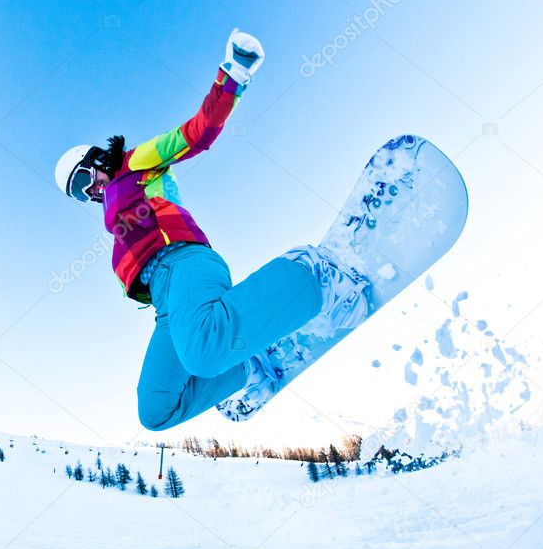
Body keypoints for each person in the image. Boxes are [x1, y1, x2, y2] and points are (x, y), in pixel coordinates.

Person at [54, 29, 370, 431]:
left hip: (184, 263)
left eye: (85, 179)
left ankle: (310, 274)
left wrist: (233, 74)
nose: (90, 192)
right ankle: (247, 370)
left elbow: (195, 134)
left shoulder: (134, 164)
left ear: (96, 159)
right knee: (155, 410)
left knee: (203, 351)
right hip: (166, 304)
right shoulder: (114, 214)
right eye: (80, 195)